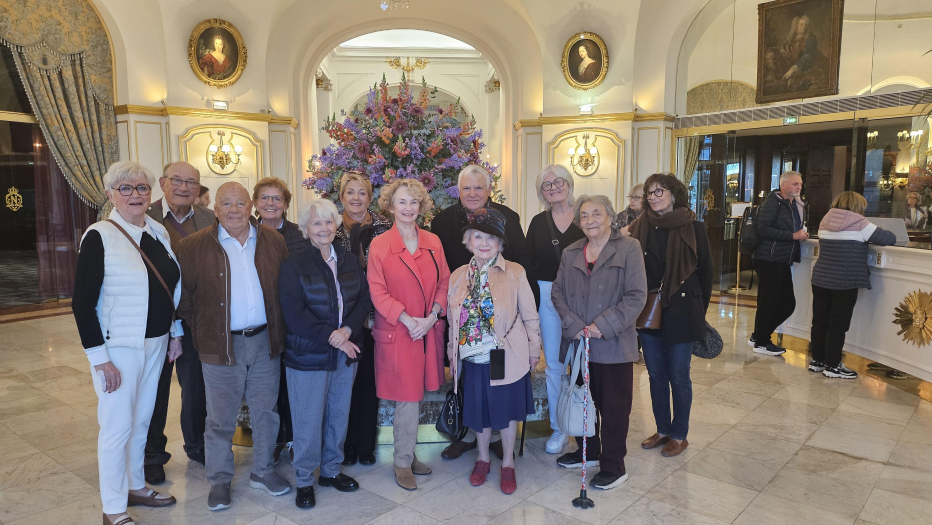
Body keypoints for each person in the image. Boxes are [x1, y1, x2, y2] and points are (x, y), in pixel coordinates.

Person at [72, 161, 182, 525]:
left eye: (141, 188)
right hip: (118, 348)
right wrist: (100, 359)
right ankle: (114, 507)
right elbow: (82, 303)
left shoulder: (157, 231)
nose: (135, 195)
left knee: (142, 421)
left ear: (151, 193)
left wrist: (175, 334)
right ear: (110, 195)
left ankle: (137, 485)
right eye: (126, 189)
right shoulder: (99, 235)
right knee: (117, 426)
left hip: (155, 342)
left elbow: (171, 289)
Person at [176, 182, 291, 511]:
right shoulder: (193, 246)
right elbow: (185, 301)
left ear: (250, 205)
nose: (234, 210)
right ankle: (220, 480)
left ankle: (263, 470)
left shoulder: (273, 241)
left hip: (265, 342)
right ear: (216, 209)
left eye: (240, 203)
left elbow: (282, 289)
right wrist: (207, 328)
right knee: (220, 419)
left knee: (266, 413)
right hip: (220, 346)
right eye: (226, 203)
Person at [430, 164, 530, 460]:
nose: (472, 193)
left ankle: (499, 435)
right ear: (458, 192)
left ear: (489, 190)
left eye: (478, 188)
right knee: (469, 384)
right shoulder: (442, 221)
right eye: (466, 188)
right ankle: (468, 434)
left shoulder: (508, 218)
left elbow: (522, 261)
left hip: (500, 325)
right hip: (464, 321)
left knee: (498, 382)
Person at [279, 198, 373, 509]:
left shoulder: (347, 259)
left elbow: (363, 299)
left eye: (329, 222)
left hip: (345, 355)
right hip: (308, 357)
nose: (324, 228)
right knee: (307, 421)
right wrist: (333, 336)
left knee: (338, 416)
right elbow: (294, 314)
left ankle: (331, 471)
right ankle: (305, 479)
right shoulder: (294, 265)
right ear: (305, 228)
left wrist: (348, 330)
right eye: (317, 223)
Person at [551, 194, 647, 491]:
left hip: (613, 344)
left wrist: (601, 326)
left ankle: (614, 465)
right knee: (582, 401)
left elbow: (636, 297)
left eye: (596, 214)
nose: (590, 220)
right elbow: (557, 293)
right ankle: (587, 452)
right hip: (579, 344)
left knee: (614, 407)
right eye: (584, 216)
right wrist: (576, 326)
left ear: (609, 216)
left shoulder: (629, 248)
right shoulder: (570, 252)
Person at [447, 207, 541, 494]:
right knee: (479, 410)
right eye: (478, 236)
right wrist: (452, 353)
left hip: (504, 353)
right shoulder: (458, 275)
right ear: (468, 241)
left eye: (491, 237)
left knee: (505, 409)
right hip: (472, 356)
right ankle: (483, 458)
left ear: (501, 243)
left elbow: (530, 314)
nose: (484, 242)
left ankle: (508, 462)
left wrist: (534, 348)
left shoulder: (515, 272)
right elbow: (452, 320)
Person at [367, 178, 451, 491]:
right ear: (390, 206)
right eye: (402, 202)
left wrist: (431, 318)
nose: (408, 208)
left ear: (422, 206)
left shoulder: (433, 241)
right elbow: (377, 290)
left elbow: (444, 283)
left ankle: (409, 452)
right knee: (407, 398)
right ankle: (402, 461)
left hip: (427, 330)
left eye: (414, 202)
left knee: (417, 395)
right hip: (399, 331)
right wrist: (407, 319)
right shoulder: (380, 245)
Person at [631, 173, 712, 458]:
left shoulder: (694, 227)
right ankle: (663, 430)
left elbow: (706, 275)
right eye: (649, 193)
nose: (653, 197)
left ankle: (679, 435)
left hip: (682, 310)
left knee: (679, 375)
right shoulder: (640, 227)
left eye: (659, 191)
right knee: (655, 374)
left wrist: (697, 314)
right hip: (648, 310)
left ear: (674, 194)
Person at [143, 162, 214, 485]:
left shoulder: (209, 220)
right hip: (154, 319)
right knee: (155, 390)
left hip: (194, 318)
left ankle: (197, 446)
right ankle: (152, 455)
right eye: (177, 181)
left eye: (192, 182)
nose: (184, 187)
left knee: (195, 387)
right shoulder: (143, 218)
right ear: (162, 183)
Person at [524, 165, 584, 455]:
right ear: (541, 193)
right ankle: (559, 428)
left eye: (557, 181)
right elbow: (528, 262)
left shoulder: (585, 215)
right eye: (546, 185)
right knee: (554, 367)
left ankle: (585, 428)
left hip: (583, 295)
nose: (553, 187)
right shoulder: (538, 222)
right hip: (547, 298)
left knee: (585, 361)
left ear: (569, 183)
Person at [334, 173, 392, 466]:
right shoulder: (328, 227)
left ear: (370, 198)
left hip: (378, 316)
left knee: (369, 382)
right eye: (350, 193)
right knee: (346, 384)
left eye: (362, 193)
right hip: (343, 319)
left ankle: (366, 446)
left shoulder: (386, 227)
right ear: (341, 197)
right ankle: (346, 446)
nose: (356, 198)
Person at [809, 192, 896, 379]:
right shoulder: (861, 224)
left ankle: (818, 360)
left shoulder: (824, 221)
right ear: (858, 206)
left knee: (819, 322)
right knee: (837, 325)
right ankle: (832, 365)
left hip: (821, 279)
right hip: (844, 281)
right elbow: (889, 238)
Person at [252, 177, 309, 464]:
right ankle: (273, 441)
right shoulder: (245, 233)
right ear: (255, 202)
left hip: (292, 321)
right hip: (260, 321)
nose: (270, 203)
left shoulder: (299, 235)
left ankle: (295, 439)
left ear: (286, 204)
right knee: (267, 388)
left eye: (277, 198)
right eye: (264, 198)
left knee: (291, 386)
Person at [750, 171, 808, 356]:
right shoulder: (772, 202)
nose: (798, 187)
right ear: (783, 185)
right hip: (769, 258)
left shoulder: (794, 204)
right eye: (795, 184)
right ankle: (761, 341)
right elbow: (763, 228)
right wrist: (793, 236)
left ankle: (759, 334)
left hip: (781, 259)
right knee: (772, 302)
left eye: (800, 184)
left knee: (785, 302)